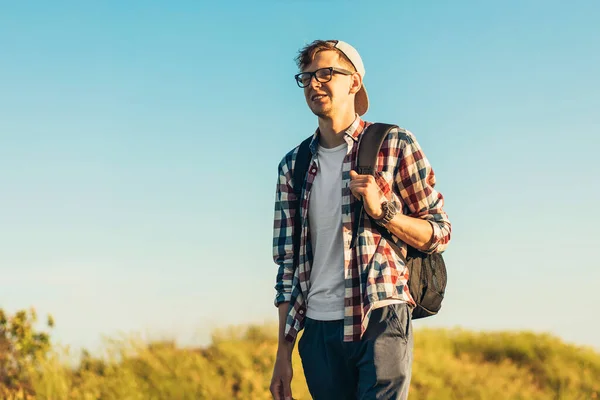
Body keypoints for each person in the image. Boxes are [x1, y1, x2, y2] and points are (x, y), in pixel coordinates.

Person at [270, 39, 451, 400]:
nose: (314, 84)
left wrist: (384, 210)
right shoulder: (293, 165)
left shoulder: (394, 143)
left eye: (325, 73)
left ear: (354, 82)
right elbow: (287, 266)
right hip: (319, 328)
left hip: (380, 315)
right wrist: (283, 353)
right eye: (306, 77)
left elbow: (440, 232)